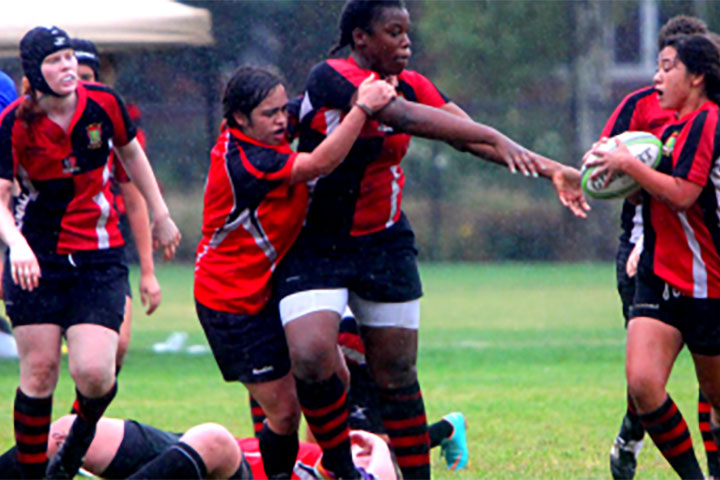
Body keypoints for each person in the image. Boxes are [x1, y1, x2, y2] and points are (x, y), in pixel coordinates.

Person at [273, 1, 586, 478]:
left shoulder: (413, 82)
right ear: (361, 38)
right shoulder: (330, 76)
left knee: (397, 375)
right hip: (317, 241)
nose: (406, 42)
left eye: (407, 32)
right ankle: (340, 469)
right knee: (313, 355)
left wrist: (552, 170)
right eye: (393, 32)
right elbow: (402, 117)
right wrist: (493, 134)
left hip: (384, 241)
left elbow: (465, 135)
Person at [193, 65, 395, 478]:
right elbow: (319, 163)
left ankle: (334, 468)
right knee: (284, 412)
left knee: (334, 372)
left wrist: (365, 79)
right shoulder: (247, 161)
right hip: (230, 304)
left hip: (262, 290)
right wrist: (361, 108)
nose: (281, 120)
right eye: (269, 114)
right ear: (239, 120)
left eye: (281, 108)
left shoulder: (263, 131)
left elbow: (307, 105)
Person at [0, 26, 180, 479]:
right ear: (33, 74)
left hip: (98, 255)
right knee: (39, 372)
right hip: (37, 260)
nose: (66, 69)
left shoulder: (104, 104)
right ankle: (33, 473)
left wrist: (161, 214)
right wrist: (16, 244)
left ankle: (74, 448)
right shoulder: (15, 123)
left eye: (68, 59)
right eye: (54, 61)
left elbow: (133, 156)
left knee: (96, 373)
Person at [586, 33, 720, 480]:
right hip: (660, 274)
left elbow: (684, 195)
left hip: (709, 282)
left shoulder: (708, 122)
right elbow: (651, 195)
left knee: (717, 400)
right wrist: (606, 167)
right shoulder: (665, 131)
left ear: (697, 76)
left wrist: (631, 166)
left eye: (667, 67)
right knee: (644, 385)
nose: (657, 77)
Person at [70, 37, 162, 373]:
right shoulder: (32, 122)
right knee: (43, 364)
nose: (78, 85)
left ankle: (83, 421)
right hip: (49, 246)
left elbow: (134, 200)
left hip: (102, 243)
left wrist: (148, 272)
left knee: (117, 345)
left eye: (87, 77)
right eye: (73, 76)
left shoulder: (111, 121)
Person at [0, 414, 397, 480]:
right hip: (185, 453)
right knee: (68, 432)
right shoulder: (303, 451)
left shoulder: (362, 467)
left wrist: (378, 449)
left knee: (214, 438)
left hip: (220, 459)